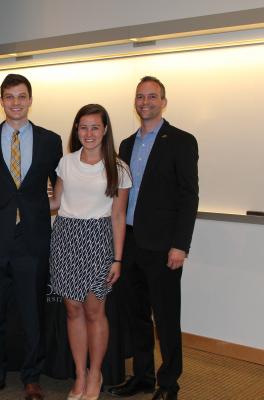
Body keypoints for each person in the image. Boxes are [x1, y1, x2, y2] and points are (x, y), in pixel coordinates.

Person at [0, 74, 63, 400]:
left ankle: (32, 377)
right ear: (2, 100)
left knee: (32, 314)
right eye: (9, 97)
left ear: (30, 99)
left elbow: (62, 177)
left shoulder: (51, 140)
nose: (16, 102)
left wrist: (57, 201)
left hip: (33, 241)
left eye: (21, 96)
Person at [107, 76, 199, 400]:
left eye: (152, 96)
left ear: (163, 101)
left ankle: (169, 383)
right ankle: (143, 377)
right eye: (140, 96)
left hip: (163, 247)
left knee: (166, 318)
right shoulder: (126, 146)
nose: (145, 101)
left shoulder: (182, 141)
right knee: (137, 316)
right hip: (129, 243)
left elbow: (189, 197)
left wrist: (180, 245)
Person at [48, 104, 130, 400]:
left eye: (95, 127)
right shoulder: (66, 163)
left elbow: (119, 216)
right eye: (83, 127)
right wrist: (18, 200)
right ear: (76, 130)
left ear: (105, 130)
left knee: (95, 311)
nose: (89, 133)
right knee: (72, 310)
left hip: (99, 240)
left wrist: (117, 258)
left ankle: (96, 372)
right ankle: (80, 375)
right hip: (66, 237)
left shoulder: (118, 168)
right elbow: (55, 202)